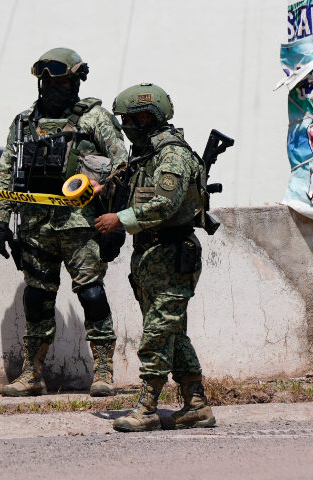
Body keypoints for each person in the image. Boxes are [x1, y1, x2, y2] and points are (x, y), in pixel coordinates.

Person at [0, 48, 128, 397]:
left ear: (76, 82)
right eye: (50, 82)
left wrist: (113, 211)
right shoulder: (23, 122)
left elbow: (124, 164)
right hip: (36, 226)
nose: (56, 88)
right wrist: (0, 221)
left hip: (82, 224)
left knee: (92, 294)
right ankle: (31, 374)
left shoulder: (94, 118)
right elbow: (6, 170)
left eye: (64, 81)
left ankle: (105, 370)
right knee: (36, 299)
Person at [94, 82, 216, 431]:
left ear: (154, 117)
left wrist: (121, 219)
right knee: (173, 333)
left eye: (136, 118)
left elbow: (166, 204)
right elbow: (134, 192)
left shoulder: (172, 155)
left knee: (158, 333)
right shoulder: (145, 155)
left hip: (173, 254)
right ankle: (196, 405)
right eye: (126, 120)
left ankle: (147, 407)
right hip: (150, 254)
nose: (129, 126)